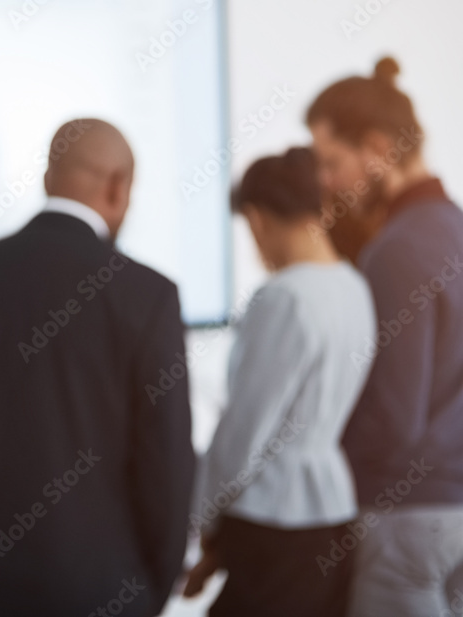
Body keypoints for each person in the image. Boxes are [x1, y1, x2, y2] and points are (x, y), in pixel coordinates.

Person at [0, 119, 194, 617]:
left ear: (49, 178)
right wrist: (151, 588)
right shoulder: (147, 296)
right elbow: (167, 464)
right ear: (119, 187)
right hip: (100, 591)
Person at [182, 147, 376, 616]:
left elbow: (244, 432)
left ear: (257, 218)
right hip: (331, 514)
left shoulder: (283, 297)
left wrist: (197, 523)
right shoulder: (354, 286)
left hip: (272, 523)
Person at [307, 57, 463, 616]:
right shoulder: (456, 228)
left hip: (406, 521)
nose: (324, 183)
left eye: (331, 162)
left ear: (376, 149)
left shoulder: (396, 251)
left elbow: (392, 420)